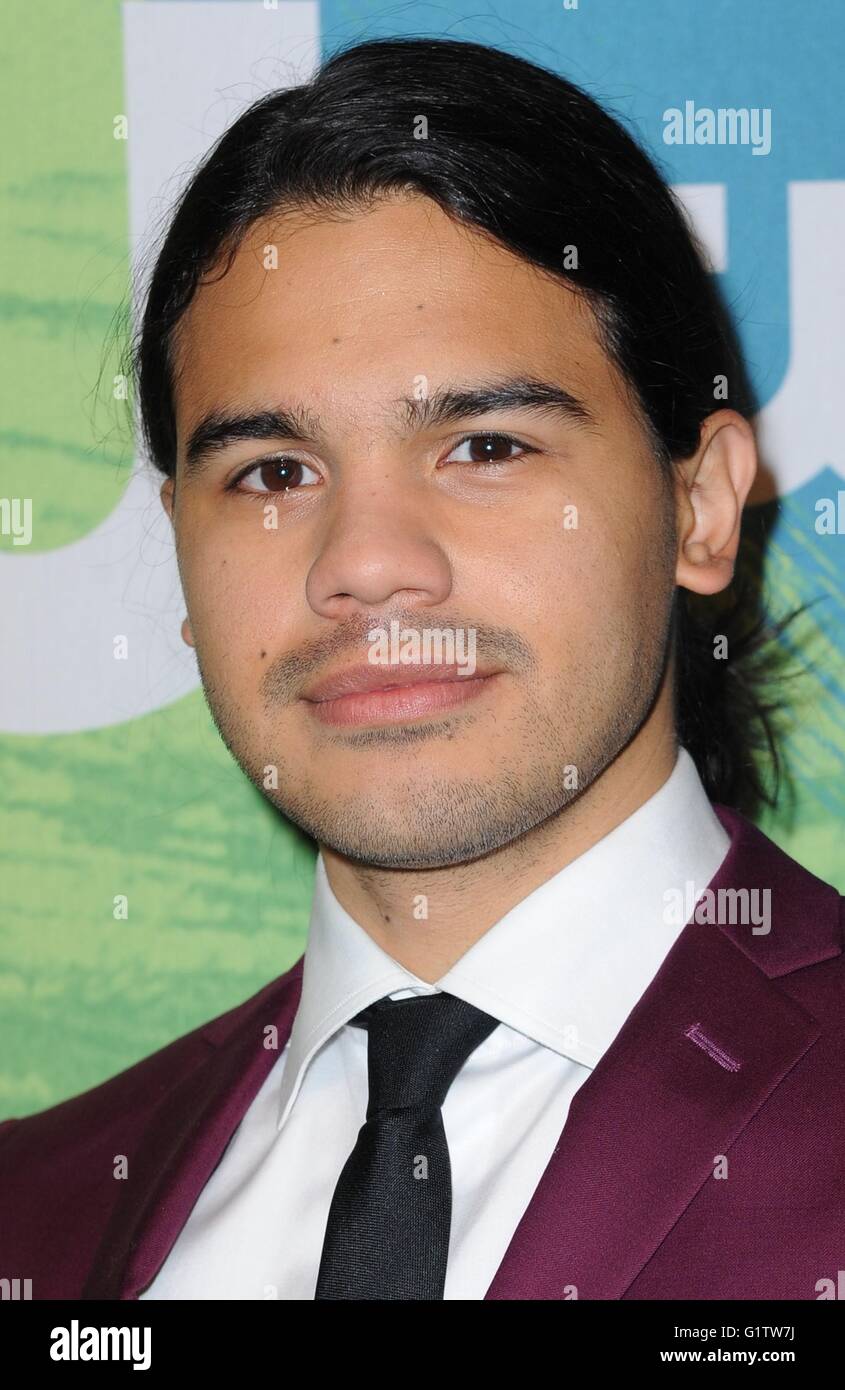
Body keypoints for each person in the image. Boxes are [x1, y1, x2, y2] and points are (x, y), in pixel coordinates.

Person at [1, 35, 842, 1302]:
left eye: (485, 446)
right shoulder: (40, 1207)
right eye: (272, 474)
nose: (368, 563)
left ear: (703, 508)